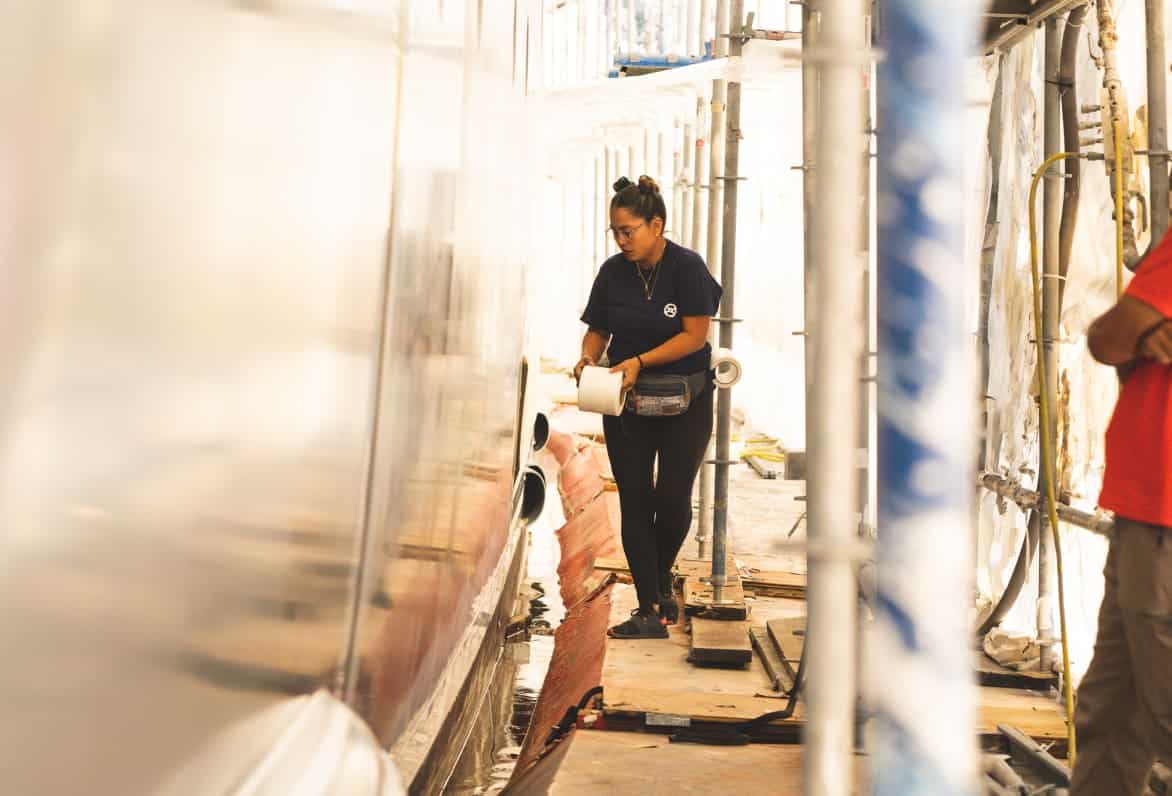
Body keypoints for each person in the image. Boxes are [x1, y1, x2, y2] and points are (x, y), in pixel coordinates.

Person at [573, 175, 723, 640]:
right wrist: (587, 356)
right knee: (635, 502)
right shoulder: (613, 273)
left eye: (629, 231)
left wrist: (638, 361)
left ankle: (659, 580)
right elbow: (599, 328)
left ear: (656, 224)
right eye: (615, 232)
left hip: (686, 402)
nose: (621, 241)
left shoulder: (687, 268)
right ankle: (649, 608)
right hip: (627, 402)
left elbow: (694, 335)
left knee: (673, 499)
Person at [1073, 230, 1172, 794]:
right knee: (1116, 706)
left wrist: (1133, 332)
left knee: (1155, 704)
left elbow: (1109, 338)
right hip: (1147, 512)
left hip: (1163, 517)